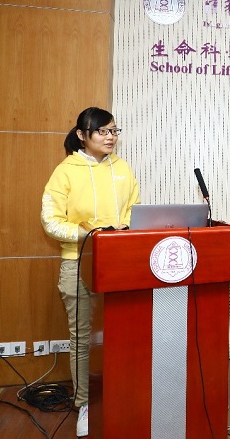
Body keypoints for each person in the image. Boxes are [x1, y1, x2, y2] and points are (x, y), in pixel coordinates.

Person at [40, 107, 140, 437]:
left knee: (122, 337)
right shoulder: (65, 171)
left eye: (114, 131)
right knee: (82, 338)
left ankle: (122, 397)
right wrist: (89, 234)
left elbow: (134, 211)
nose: (110, 137)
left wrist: (125, 229)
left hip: (119, 263)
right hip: (78, 261)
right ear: (82, 135)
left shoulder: (122, 168)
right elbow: (51, 221)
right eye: (102, 131)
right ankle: (84, 404)